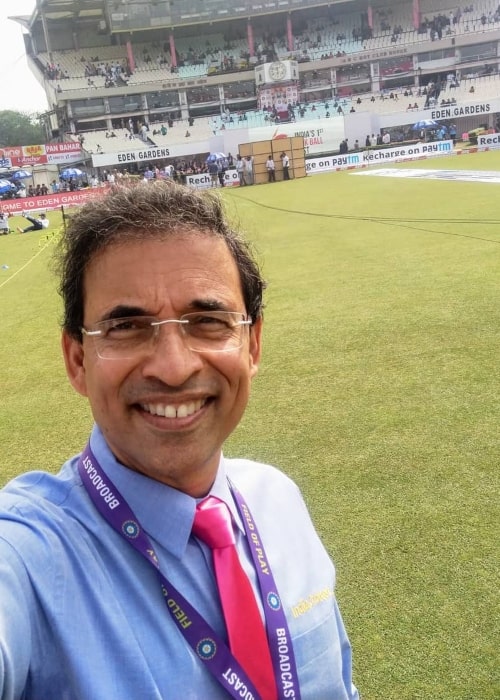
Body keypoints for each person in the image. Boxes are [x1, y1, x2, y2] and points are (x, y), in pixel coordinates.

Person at [0, 181, 358, 700]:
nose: (173, 367)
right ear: (78, 360)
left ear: (252, 343)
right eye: (126, 327)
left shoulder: (278, 499)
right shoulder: (32, 559)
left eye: (208, 321)